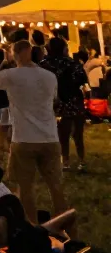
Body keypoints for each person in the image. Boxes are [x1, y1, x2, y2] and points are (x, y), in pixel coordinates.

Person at [0, 37, 67, 227]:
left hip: (24, 139)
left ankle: (32, 226)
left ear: (17, 53)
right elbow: (54, 100)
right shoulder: (49, 76)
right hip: (50, 137)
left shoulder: (11, 74)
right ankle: (66, 227)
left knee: (25, 187)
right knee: (56, 187)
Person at [43, 36, 88, 171]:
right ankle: (82, 161)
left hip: (57, 102)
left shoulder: (44, 64)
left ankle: (66, 161)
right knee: (78, 133)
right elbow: (82, 79)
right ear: (63, 48)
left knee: (63, 134)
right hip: (74, 100)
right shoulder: (73, 63)